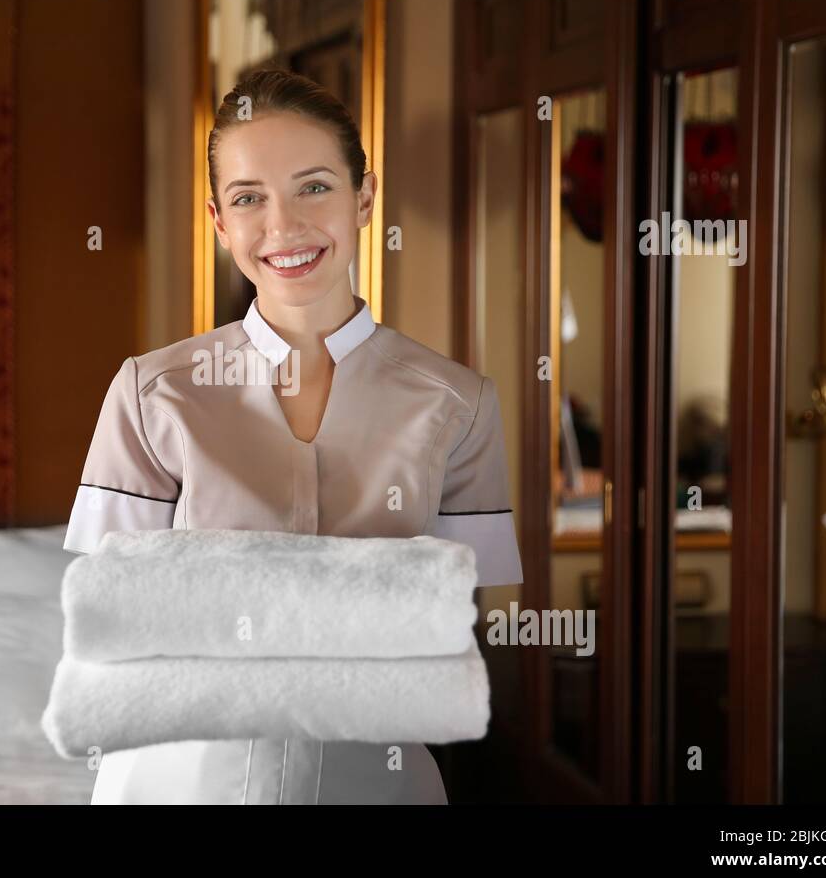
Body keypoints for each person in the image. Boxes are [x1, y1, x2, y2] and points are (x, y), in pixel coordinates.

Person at [63, 67, 523, 804]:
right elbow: (109, 619)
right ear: (219, 221)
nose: (283, 227)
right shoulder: (153, 394)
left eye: (314, 187)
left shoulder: (459, 405)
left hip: (375, 783)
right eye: (250, 198)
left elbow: (454, 630)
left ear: (364, 198)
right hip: (177, 784)